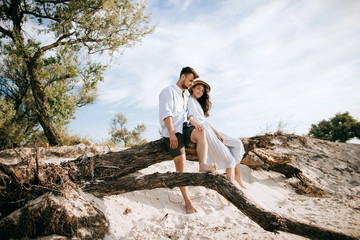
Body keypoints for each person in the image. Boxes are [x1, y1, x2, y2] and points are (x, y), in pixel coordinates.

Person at [159, 66, 217, 214]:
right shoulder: (168, 91)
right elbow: (167, 114)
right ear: (183, 77)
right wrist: (171, 133)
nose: (192, 84)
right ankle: (188, 202)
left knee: (200, 133)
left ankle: (202, 164)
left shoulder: (185, 96)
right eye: (191, 80)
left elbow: (187, 117)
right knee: (181, 166)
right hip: (173, 132)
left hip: (184, 129)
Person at [187, 80, 246, 188]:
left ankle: (237, 175)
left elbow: (205, 121)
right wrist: (195, 124)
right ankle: (231, 188)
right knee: (230, 160)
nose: (200, 91)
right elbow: (190, 118)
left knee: (237, 143)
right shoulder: (190, 100)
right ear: (192, 88)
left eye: (202, 90)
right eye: (198, 88)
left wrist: (217, 133)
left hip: (209, 129)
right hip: (203, 131)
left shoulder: (197, 103)